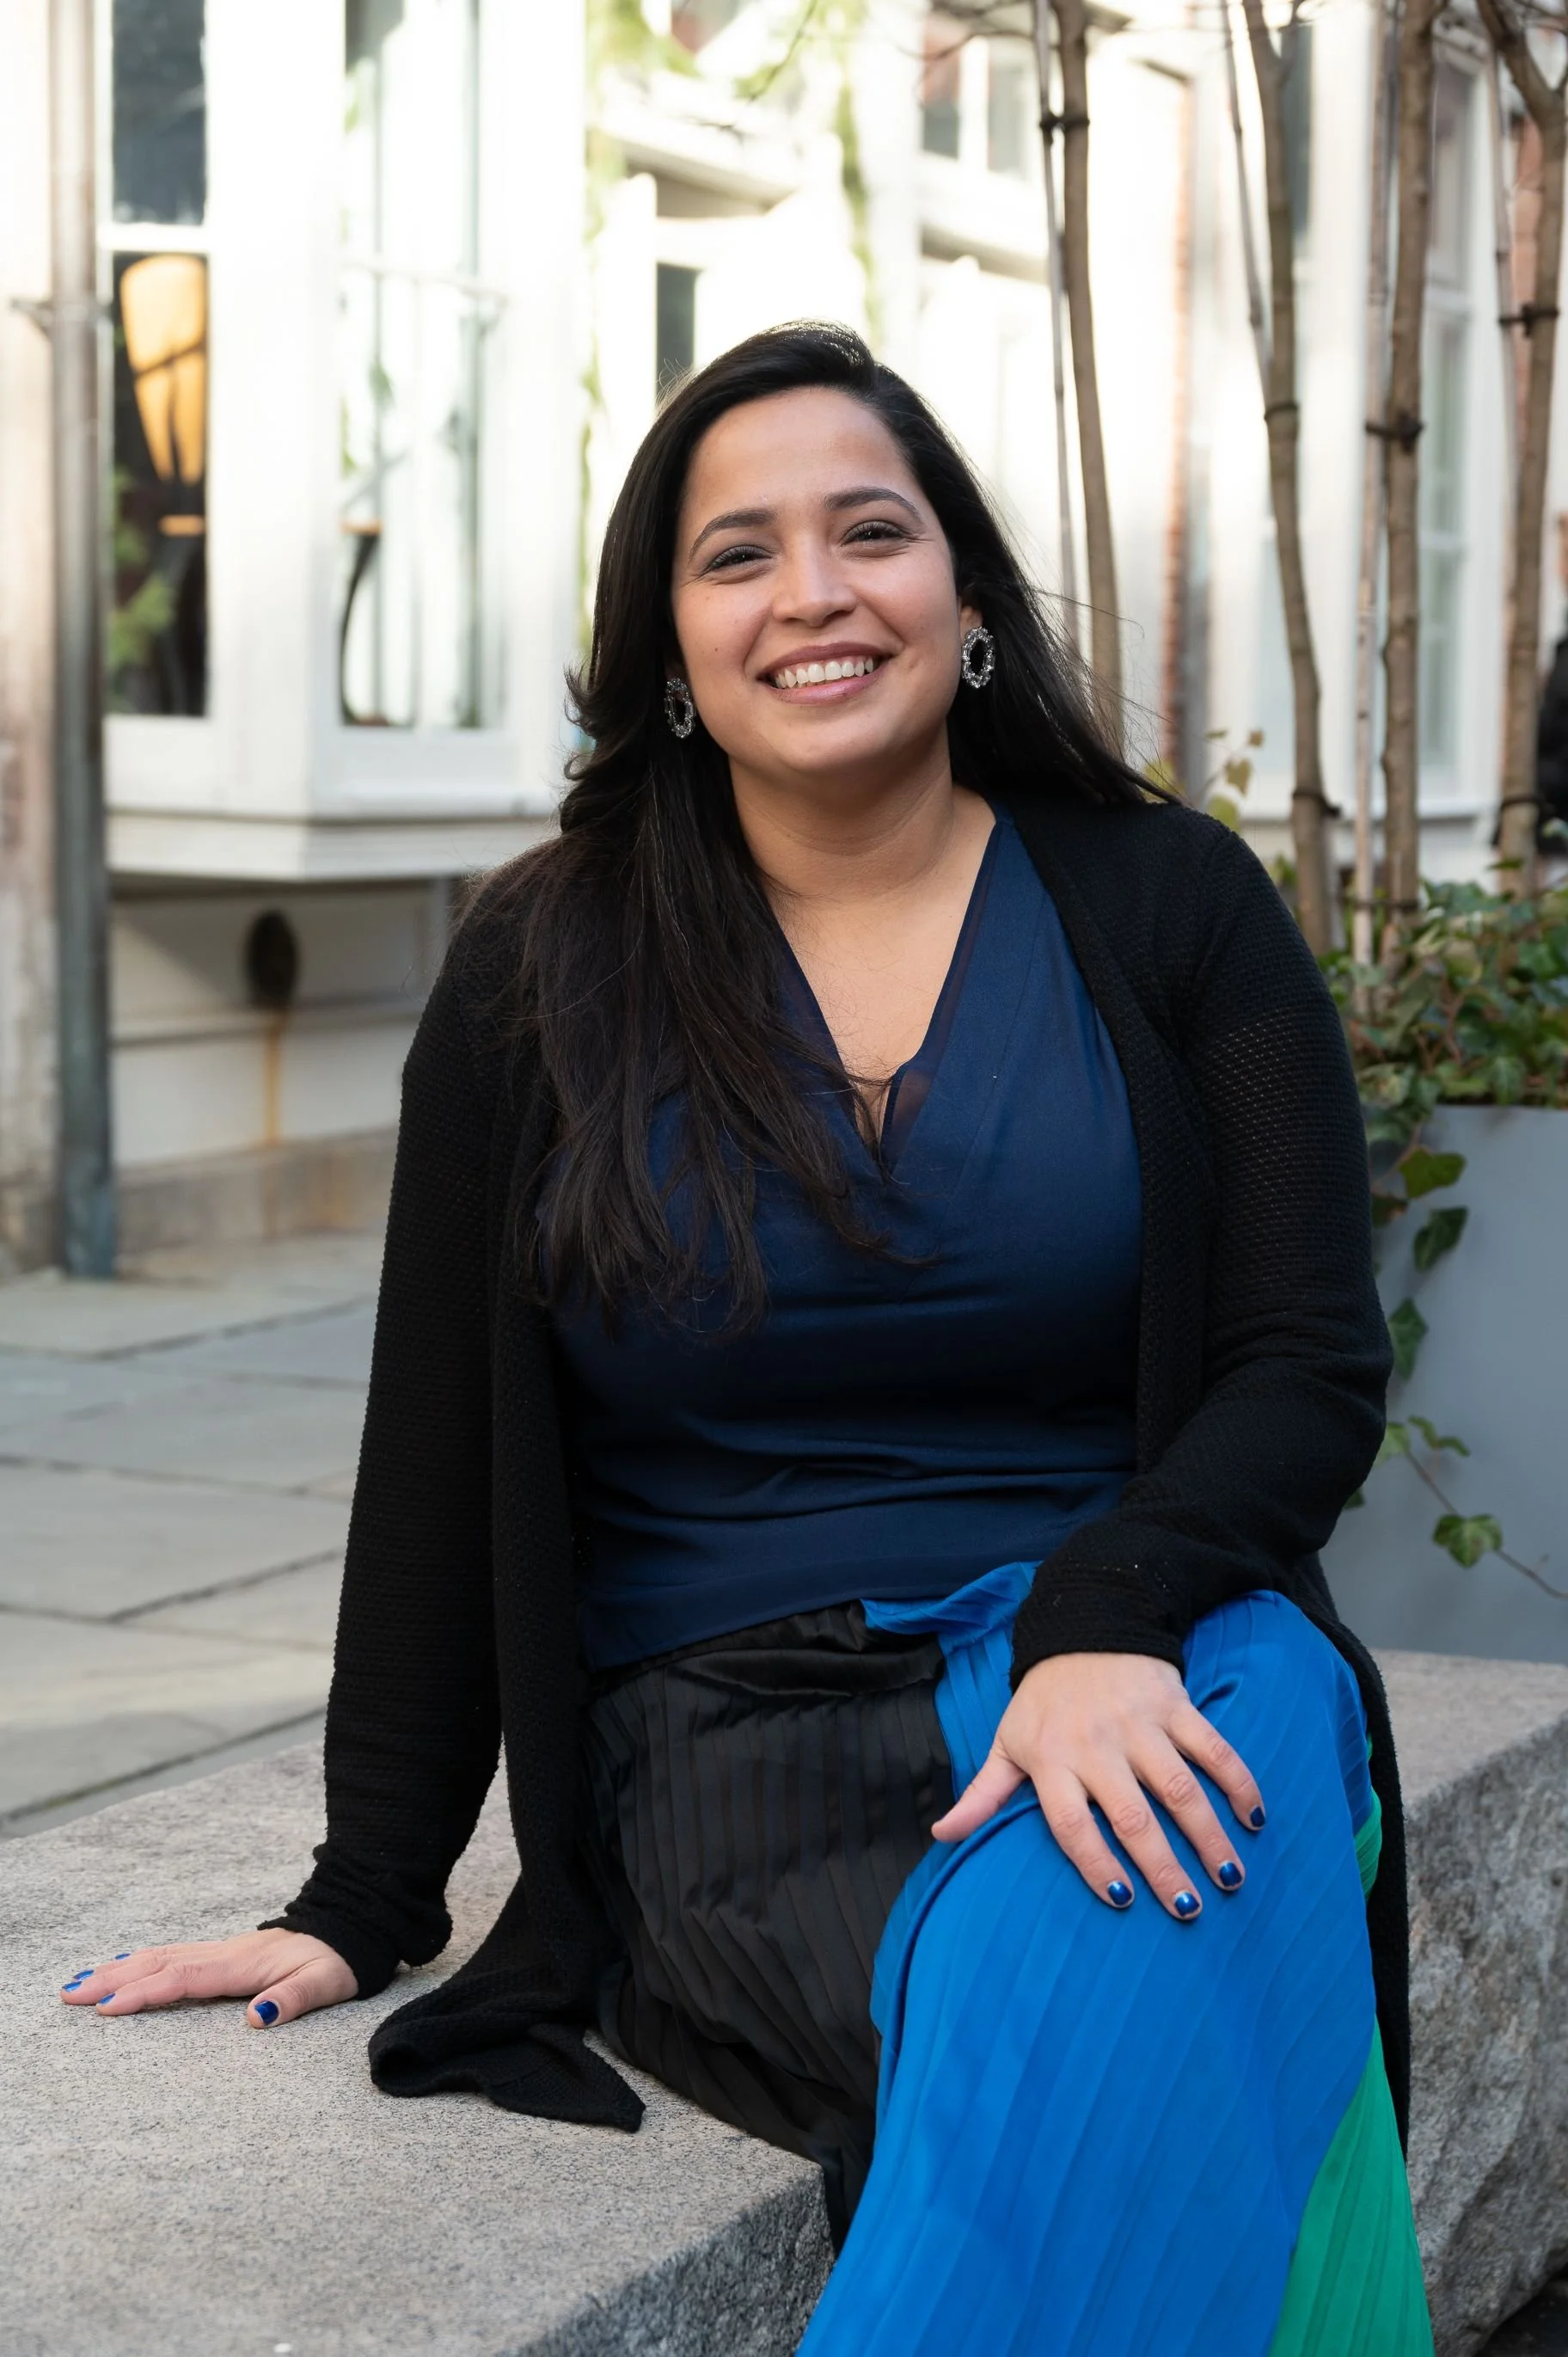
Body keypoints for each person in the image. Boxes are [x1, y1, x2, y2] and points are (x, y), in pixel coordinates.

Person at [60, 325, 1431, 2354]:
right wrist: (368, 1886)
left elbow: (1305, 1359)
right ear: (668, 645)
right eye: (738, 554)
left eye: (870, 531)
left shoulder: (1168, 905)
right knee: (1090, 2020)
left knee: (1135, 1909)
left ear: (962, 599)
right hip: (731, 1728)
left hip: (1151, 1637)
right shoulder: (545, 962)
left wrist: (1100, 1613)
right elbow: (440, 1451)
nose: (813, 592)